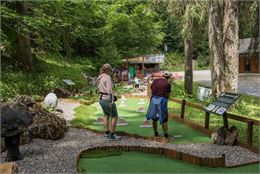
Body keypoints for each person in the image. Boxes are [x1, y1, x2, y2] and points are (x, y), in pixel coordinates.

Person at [96, 63, 120, 140]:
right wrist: (112, 100)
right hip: (107, 99)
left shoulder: (99, 77)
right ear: (108, 70)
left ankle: (106, 132)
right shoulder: (107, 77)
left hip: (101, 99)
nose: (111, 72)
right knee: (114, 116)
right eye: (110, 70)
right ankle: (112, 134)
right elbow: (109, 90)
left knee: (106, 115)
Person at [146, 71, 171, 141]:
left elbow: (151, 90)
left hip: (154, 99)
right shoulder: (167, 83)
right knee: (164, 118)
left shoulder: (155, 81)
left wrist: (152, 98)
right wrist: (165, 100)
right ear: (167, 78)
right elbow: (168, 95)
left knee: (154, 117)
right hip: (162, 99)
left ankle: (156, 132)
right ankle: (166, 134)